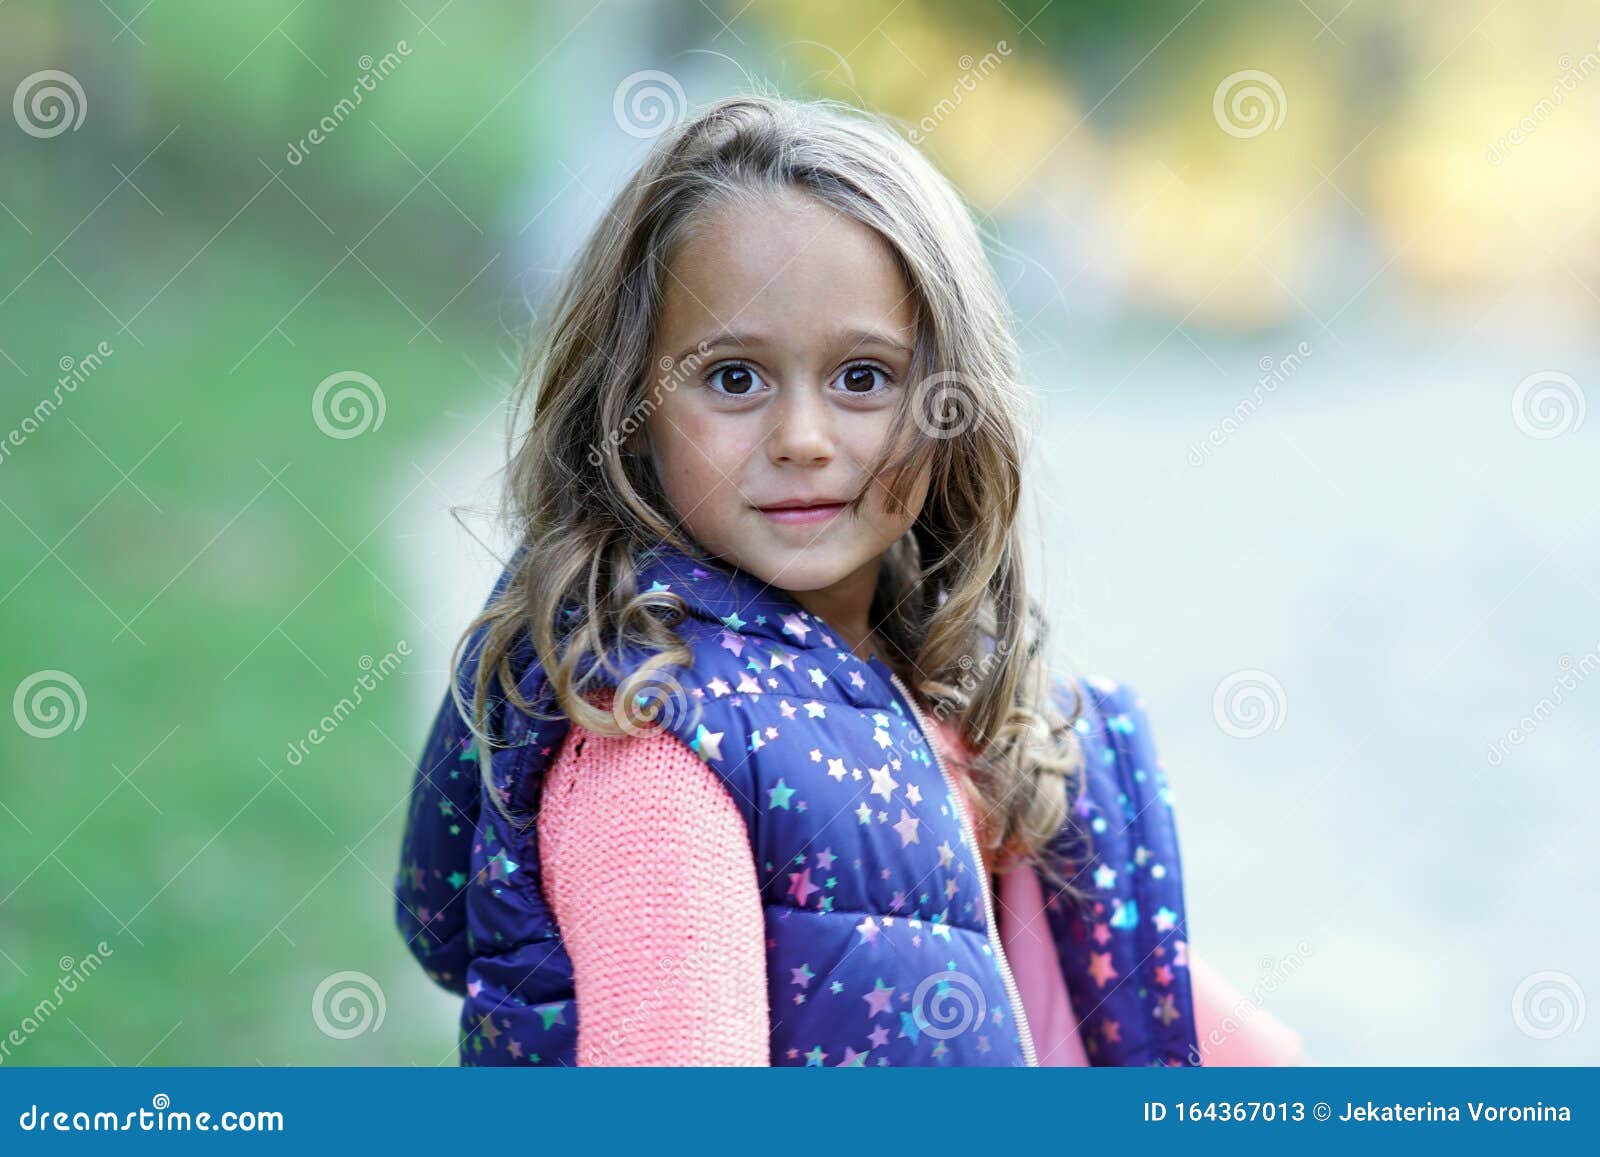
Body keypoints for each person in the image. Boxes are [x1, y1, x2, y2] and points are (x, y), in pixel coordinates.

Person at [394, 91, 1304, 1067]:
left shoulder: (966, 713)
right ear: (632, 407)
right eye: (734, 377)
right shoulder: (654, 738)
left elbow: (1218, 1050)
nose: (802, 439)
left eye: (863, 377)